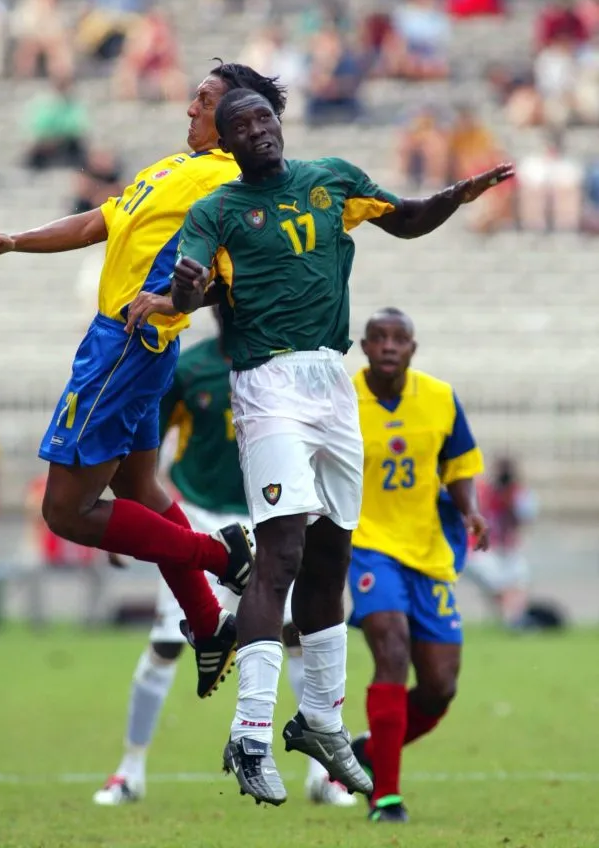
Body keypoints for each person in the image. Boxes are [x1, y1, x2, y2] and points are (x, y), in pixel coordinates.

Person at [167, 87, 513, 805]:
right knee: (281, 552)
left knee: (327, 556)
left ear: (279, 123)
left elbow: (407, 218)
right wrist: (185, 286)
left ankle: (321, 723)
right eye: (242, 125)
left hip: (332, 382)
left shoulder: (333, 179)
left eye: (264, 117)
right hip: (267, 383)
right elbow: (187, 285)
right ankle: (251, 732)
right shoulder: (218, 210)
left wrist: (456, 194)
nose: (258, 129)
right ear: (225, 143)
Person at [0, 64, 287, 699]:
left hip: (125, 346)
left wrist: (173, 300)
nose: (189, 108)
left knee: (65, 511)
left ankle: (225, 559)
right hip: (130, 346)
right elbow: (98, 223)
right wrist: (14, 241)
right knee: (138, 486)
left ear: (235, 117)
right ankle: (206, 622)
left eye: (204, 100)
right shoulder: (171, 170)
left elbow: (227, 274)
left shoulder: (227, 181)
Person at [94, 310, 354, 808]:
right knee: (170, 642)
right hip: (201, 515)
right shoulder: (189, 368)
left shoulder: (285, 367)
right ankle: (129, 771)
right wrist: (128, 526)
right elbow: (140, 446)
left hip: (273, 519)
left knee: (297, 635)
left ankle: (322, 776)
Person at [345, 309, 487, 823]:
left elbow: (460, 465)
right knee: (391, 649)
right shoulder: (341, 400)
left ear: (412, 348)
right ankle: (385, 797)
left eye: (398, 338)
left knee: (440, 685)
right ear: (363, 347)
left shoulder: (440, 398)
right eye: (378, 338)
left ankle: (363, 753)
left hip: (428, 551)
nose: (388, 346)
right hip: (367, 546)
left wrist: (470, 510)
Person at [465, 457, 537, 627]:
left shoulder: (518, 493)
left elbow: (524, 518)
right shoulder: (483, 491)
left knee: (519, 581)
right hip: (481, 548)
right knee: (499, 585)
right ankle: (511, 621)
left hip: (507, 548)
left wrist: (511, 500)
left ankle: (515, 620)